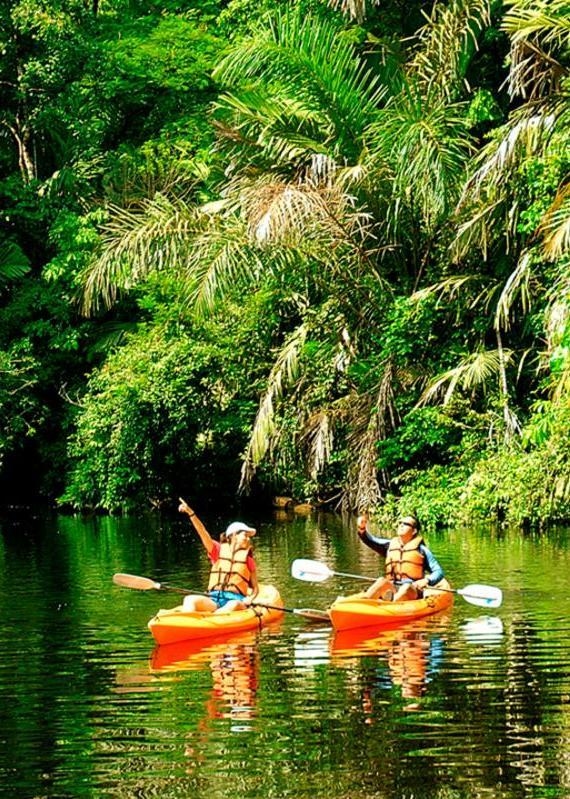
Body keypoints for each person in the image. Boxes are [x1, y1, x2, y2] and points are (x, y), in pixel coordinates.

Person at [178, 498, 259, 613]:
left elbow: (255, 588)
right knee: (190, 599)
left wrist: (249, 599)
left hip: (236, 600)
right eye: (245, 535)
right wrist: (191, 514)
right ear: (233, 535)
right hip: (214, 599)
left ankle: (212, 623)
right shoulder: (217, 550)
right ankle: (186, 625)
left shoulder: (248, 559)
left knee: (233, 604)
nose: (248, 539)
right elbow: (202, 532)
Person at [357, 513, 444, 602]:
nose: (401, 525)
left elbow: (439, 572)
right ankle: (365, 603)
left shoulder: (421, 550)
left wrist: (427, 580)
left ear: (414, 531)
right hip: (393, 587)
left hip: (413, 590)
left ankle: (391, 605)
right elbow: (370, 540)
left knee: (406, 587)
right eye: (400, 523)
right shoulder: (389, 546)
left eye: (406, 524)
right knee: (381, 581)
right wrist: (362, 528)